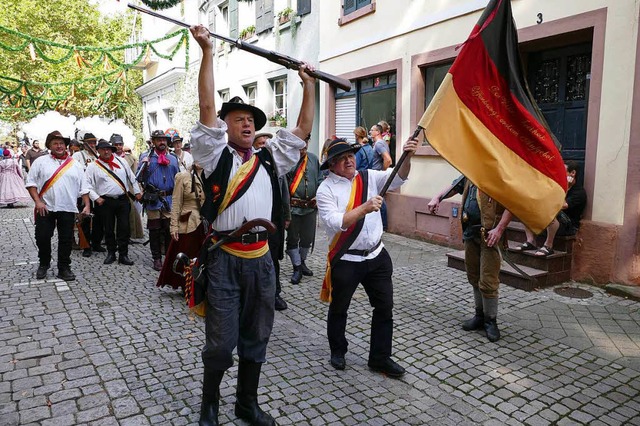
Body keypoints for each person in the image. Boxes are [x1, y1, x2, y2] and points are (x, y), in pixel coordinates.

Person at [189, 23, 316, 426]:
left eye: (250, 119)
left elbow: (301, 131)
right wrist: (208, 52)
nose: (246, 124)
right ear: (225, 125)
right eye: (238, 118)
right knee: (221, 345)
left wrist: (308, 85)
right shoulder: (215, 157)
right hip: (225, 259)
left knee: (257, 338)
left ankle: (246, 404)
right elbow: (207, 107)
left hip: (262, 261)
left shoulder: (267, 158)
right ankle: (210, 405)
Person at [316, 136, 418, 377]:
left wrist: (408, 156)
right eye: (340, 158)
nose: (348, 160)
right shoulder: (325, 189)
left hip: (376, 256)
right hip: (346, 260)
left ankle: (380, 358)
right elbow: (335, 222)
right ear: (331, 165)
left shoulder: (368, 177)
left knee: (384, 307)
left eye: (350, 155)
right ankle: (338, 350)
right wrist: (364, 207)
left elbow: (399, 177)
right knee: (339, 308)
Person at [428, 176, 513, 342]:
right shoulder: (470, 169)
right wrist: (437, 197)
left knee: (488, 279)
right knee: (473, 276)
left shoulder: (500, 173)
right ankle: (479, 316)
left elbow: (513, 203)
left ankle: (490, 321)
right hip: (470, 233)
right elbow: (455, 186)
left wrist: (499, 229)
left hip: (490, 235)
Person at [26, 131, 91, 281]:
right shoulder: (41, 162)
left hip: (67, 208)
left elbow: (84, 187)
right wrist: (38, 202)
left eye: (61, 143)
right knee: (42, 237)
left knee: (66, 239)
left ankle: (64, 267)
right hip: (45, 207)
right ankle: (44, 263)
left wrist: (87, 205)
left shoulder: (75, 165)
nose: (59, 146)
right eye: (55, 143)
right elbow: (31, 183)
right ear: (49, 145)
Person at [85, 140, 142, 265]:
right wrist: (96, 198)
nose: (106, 151)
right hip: (106, 201)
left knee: (124, 228)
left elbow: (132, 178)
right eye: (103, 149)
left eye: (109, 149)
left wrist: (137, 192)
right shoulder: (93, 166)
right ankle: (111, 253)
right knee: (108, 229)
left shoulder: (121, 161)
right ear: (98, 151)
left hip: (122, 199)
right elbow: (86, 185)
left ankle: (123, 254)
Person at [515, 160, 587, 257]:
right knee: (526, 208)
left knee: (550, 211)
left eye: (563, 171)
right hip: (553, 223)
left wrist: (567, 187)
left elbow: (560, 205)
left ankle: (548, 245)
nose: (559, 174)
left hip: (568, 226)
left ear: (573, 173)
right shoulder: (557, 186)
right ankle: (531, 241)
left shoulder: (579, 192)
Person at [254, 132, 290, 311]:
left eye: (266, 143)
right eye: (260, 143)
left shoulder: (278, 168)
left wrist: (287, 216)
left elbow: (285, 196)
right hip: (256, 224)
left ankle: (275, 293)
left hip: (275, 221)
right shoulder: (250, 166)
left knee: (274, 258)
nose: (263, 146)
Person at [157, 161, 206, 290]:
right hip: (188, 223)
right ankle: (186, 285)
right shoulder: (182, 176)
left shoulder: (211, 175)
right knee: (186, 256)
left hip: (205, 224)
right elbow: (176, 203)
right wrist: (173, 226)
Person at [137, 130, 180, 271]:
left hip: (169, 198)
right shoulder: (145, 157)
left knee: (169, 229)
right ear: (153, 142)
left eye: (164, 139)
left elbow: (178, 179)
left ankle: (168, 256)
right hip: (153, 199)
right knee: (154, 230)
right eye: (158, 139)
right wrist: (144, 166)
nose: (162, 142)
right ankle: (156, 258)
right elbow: (139, 178)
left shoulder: (173, 158)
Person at [286, 134, 321, 285]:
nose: (304, 145)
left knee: (307, 238)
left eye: (306, 141)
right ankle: (296, 267)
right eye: (301, 142)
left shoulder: (313, 159)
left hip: (310, 208)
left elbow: (320, 179)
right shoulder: (287, 160)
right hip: (293, 208)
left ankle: (303, 262)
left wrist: (318, 195)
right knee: (293, 238)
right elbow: (283, 187)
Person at [73, 132, 105, 257]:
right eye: (90, 142)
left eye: (94, 142)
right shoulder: (78, 155)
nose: (92, 144)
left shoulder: (98, 156)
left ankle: (96, 243)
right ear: (84, 144)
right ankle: (86, 246)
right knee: (85, 220)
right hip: (84, 193)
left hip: (98, 192)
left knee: (99, 220)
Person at [111, 134, 144, 240]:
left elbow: (134, 176)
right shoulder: (108, 158)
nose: (118, 147)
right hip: (113, 189)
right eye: (116, 144)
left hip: (129, 189)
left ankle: (131, 235)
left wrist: (137, 191)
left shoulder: (131, 158)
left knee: (131, 213)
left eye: (120, 144)